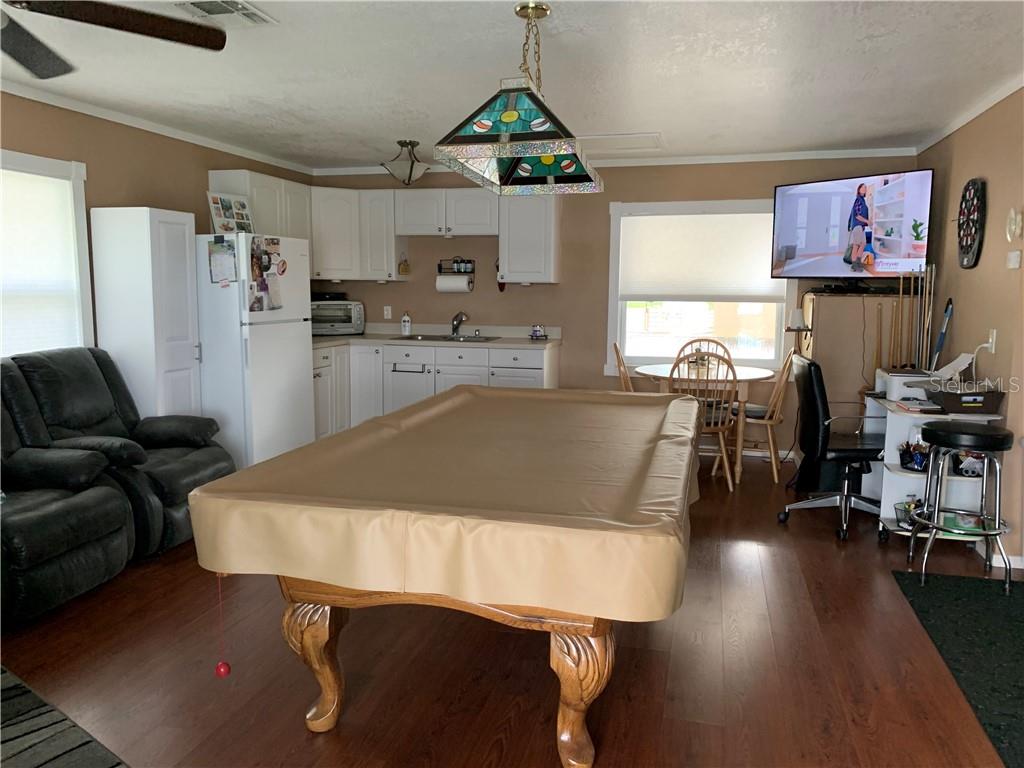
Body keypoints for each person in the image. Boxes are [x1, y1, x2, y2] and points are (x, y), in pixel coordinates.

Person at [847, 183, 870, 269]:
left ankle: (858, 262)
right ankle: (854, 265)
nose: (864, 189)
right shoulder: (858, 200)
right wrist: (867, 221)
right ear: (859, 189)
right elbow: (857, 215)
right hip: (857, 226)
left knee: (863, 243)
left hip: (861, 226)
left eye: (865, 188)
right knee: (856, 245)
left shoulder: (863, 200)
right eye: (863, 187)